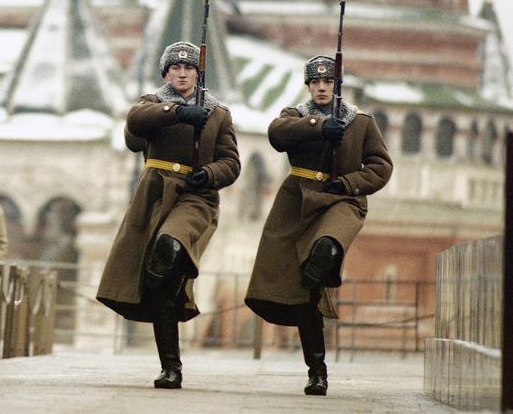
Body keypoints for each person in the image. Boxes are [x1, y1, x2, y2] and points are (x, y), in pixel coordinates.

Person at [244, 55, 393, 396]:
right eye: (316, 83)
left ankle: (319, 273)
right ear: (309, 86)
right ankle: (317, 371)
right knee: (305, 296)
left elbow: (381, 166)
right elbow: (276, 135)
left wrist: (350, 183)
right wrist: (317, 126)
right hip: (298, 202)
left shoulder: (361, 123)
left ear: (337, 86)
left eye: (328, 83)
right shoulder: (295, 116)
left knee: (325, 249)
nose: (322, 87)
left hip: (341, 200)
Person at [97, 41, 240, 390]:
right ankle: (170, 366)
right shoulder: (152, 103)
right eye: (175, 68)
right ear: (166, 73)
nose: (182, 73)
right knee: (161, 285)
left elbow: (232, 163)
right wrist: (176, 113)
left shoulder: (218, 112)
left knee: (168, 245)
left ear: (197, 73)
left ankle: (167, 277)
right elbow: (134, 123)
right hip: (155, 194)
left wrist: (209, 174)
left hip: (195, 196)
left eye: (189, 68)